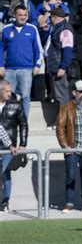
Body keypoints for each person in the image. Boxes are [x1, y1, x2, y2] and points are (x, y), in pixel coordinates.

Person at [56, 80, 82, 213]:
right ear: (74, 93)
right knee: (71, 176)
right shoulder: (65, 108)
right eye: (81, 91)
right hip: (72, 149)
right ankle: (69, 203)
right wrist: (65, 146)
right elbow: (60, 128)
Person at [0, 5, 42, 117]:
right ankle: (8, 120)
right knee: (7, 96)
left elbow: (38, 49)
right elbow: (1, 48)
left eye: (25, 15)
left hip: (26, 69)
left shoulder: (32, 29)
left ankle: (24, 121)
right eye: (20, 15)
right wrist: (1, 65)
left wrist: (37, 65)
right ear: (14, 15)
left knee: (25, 96)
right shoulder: (6, 29)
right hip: (9, 69)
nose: (23, 17)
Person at [0, 79, 27, 213]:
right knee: (3, 174)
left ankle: (5, 202)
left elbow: (23, 124)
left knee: (4, 173)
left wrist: (22, 144)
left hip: (9, 147)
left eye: (10, 91)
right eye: (7, 91)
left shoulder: (16, 105)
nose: (9, 93)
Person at [45, 7, 75, 106]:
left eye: (51, 18)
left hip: (60, 69)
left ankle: (66, 121)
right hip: (56, 68)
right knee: (59, 97)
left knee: (62, 98)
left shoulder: (64, 30)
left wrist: (63, 67)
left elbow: (67, 49)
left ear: (54, 17)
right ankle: (61, 120)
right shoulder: (58, 28)